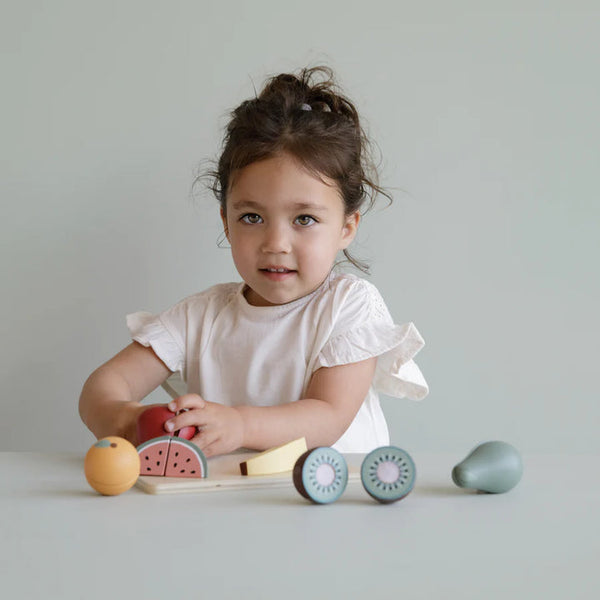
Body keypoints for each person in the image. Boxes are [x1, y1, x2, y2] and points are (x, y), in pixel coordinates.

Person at [79, 66, 428, 458]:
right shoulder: (200, 317)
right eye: (252, 218)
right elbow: (102, 386)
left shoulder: (348, 306)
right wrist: (126, 418)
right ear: (226, 222)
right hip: (231, 507)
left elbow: (328, 416)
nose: (276, 243)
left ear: (347, 227)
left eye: (304, 219)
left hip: (336, 505)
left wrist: (240, 424)